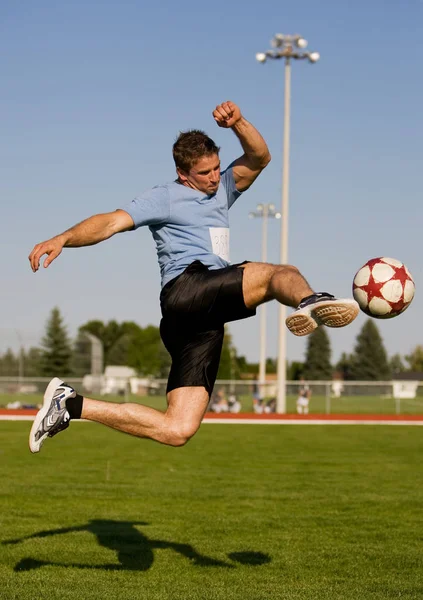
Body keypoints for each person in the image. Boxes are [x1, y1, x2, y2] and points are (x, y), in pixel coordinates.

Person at [28, 100, 359, 453]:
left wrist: (239, 123)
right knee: (279, 273)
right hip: (186, 289)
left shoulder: (223, 188)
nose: (215, 177)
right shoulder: (165, 197)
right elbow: (110, 222)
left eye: (217, 168)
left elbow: (260, 157)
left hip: (200, 321)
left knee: (178, 429)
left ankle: (70, 404)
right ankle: (310, 301)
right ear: (183, 173)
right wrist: (63, 237)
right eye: (205, 173)